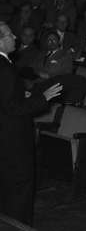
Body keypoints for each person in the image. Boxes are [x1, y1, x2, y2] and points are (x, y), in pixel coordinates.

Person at [0, 22, 62, 224]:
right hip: (12, 136)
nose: (15, 38)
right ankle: (18, 225)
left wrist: (21, 95)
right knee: (19, 184)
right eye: (9, 35)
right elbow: (13, 108)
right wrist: (43, 98)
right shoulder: (5, 68)